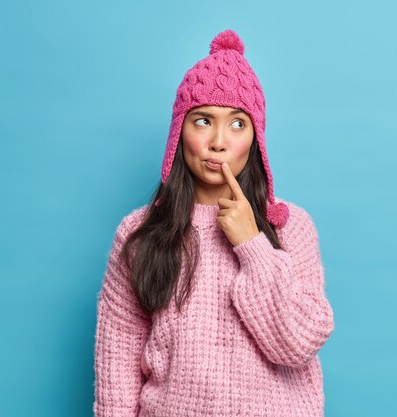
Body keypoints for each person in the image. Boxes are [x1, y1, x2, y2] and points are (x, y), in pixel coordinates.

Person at [93, 29, 335, 417]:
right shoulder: (141, 233)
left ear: (256, 137)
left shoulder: (290, 228)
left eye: (237, 124)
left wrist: (252, 245)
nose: (218, 141)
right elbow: (117, 362)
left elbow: (298, 343)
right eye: (203, 121)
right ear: (179, 132)